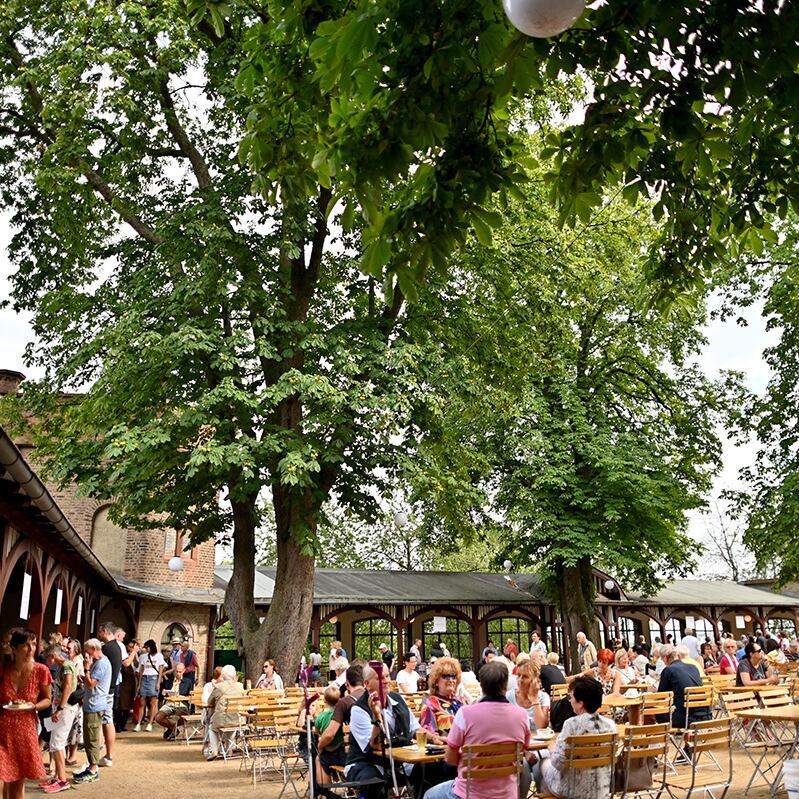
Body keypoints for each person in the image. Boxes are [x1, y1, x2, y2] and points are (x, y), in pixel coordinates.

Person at [425, 661, 530, 799]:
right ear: (506, 685)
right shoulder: (522, 715)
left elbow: (450, 758)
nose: (451, 680)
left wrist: (469, 760)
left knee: (428, 795)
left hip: (471, 793)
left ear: (481, 685)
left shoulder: (465, 713)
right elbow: (524, 750)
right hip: (507, 794)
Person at [345, 664, 444, 798]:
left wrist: (434, 739)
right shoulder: (359, 710)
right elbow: (376, 746)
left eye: (387, 676)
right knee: (374, 782)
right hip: (365, 762)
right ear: (367, 684)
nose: (386, 680)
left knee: (436, 770)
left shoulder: (398, 699)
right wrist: (376, 716)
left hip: (399, 762)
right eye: (380, 678)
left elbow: (414, 729)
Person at [533, 677, 615, 798]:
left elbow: (558, 763)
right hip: (601, 789)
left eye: (571, 697)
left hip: (573, 790)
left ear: (581, 702)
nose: (570, 701)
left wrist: (552, 748)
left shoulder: (571, 724)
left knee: (542, 763)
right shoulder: (610, 725)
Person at [0, 629, 53, 799]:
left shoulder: (41, 670)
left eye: (34, 644)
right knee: (2, 779)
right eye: (26, 645)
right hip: (2, 731)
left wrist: (33, 706)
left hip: (25, 733)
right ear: (14, 648)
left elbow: (47, 699)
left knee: (16, 786)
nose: (31, 649)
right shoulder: (3, 669)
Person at [73, 638, 111, 784]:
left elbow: (91, 684)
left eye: (87, 651)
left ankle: (94, 770)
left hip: (95, 705)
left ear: (94, 649)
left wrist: (87, 668)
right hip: (92, 704)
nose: (86, 655)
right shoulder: (101, 662)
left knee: (92, 739)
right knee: (89, 738)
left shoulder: (101, 663)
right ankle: (91, 766)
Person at [42, 644, 78, 793]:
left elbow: (68, 687)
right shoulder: (63, 666)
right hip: (61, 708)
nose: (47, 662)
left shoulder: (66, 666)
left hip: (66, 709)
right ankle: (58, 777)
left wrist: (60, 709)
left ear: (53, 656)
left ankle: (62, 780)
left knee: (57, 743)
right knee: (54, 742)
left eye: (47, 658)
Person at [318, 663, 365, 757]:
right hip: (374, 750)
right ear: (364, 682)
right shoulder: (373, 698)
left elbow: (329, 735)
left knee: (320, 758)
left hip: (355, 754)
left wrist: (320, 746)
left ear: (347, 683)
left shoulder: (344, 703)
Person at [656, 644, 707, 730]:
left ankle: (653, 742)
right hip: (705, 715)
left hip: (685, 718)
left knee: (650, 712)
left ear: (665, 658)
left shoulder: (669, 670)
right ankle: (688, 741)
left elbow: (661, 697)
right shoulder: (693, 667)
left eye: (662, 659)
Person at [205, 664, 245, 760]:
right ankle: (229, 749)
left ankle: (214, 750)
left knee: (211, 727)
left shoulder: (219, 687)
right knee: (231, 724)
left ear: (223, 675)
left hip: (222, 719)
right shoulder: (240, 686)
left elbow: (209, 701)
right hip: (238, 719)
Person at [97, 622, 122, 768]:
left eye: (100, 631)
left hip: (104, 689)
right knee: (107, 721)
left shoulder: (107, 648)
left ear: (105, 631)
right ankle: (108, 755)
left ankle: (107, 755)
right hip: (111, 688)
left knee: (104, 721)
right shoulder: (117, 647)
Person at [420, 657, 464, 737]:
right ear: (436, 681)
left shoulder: (458, 701)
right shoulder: (430, 704)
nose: (451, 680)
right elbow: (428, 735)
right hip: (443, 747)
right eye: (446, 676)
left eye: (453, 676)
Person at [314, 686, 345, 784]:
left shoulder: (321, 717)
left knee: (318, 759)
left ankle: (325, 790)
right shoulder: (342, 714)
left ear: (324, 700)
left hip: (328, 752)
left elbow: (316, 731)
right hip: (343, 752)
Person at [507, 660, 550, 730]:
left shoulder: (543, 697)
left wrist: (535, 700)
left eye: (525, 677)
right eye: (518, 675)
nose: (520, 680)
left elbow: (541, 726)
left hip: (537, 740)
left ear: (535, 680)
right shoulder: (509, 697)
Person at [134, 639, 164, 731]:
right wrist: (139, 684)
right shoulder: (144, 657)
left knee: (152, 702)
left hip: (153, 678)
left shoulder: (159, 656)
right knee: (142, 701)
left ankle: (150, 723)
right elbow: (141, 670)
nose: (146, 649)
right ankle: (138, 723)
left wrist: (158, 683)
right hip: (145, 678)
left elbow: (161, 670)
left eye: (147, 647)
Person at [154, 662, 189, 739]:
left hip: (181, 704)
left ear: (184, 671)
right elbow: (164, 694)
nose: (178, 673)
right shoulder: (169, 681)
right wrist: (164, 693)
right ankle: (173, 728)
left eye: (180, 672)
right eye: (176, 671)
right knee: (158, 717)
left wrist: (181, 697)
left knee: (186, 716)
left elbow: (190, 696)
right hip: (169, 703)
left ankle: (171, 729)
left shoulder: (187, 682)